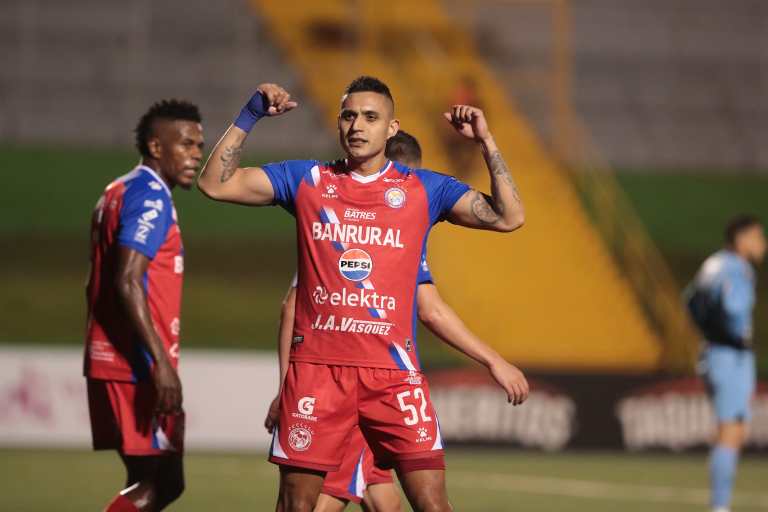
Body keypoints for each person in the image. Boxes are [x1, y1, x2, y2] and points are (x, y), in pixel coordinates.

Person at [198, 76, 525, 512]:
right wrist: (250, 115)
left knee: (432, 504)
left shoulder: (424, 189)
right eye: (349, 116)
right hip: (318, 373)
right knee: (298, 506)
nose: (357, 126)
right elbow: (215, 184)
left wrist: (486, 141)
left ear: (391, 128)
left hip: (394, 375)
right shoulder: (308, 180)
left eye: (371, 117)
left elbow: (509, 217)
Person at [263, 131, 528, 512]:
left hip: (372, 384)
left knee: (387, 502)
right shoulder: (342, 233)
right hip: (349, 382)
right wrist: (493, 360)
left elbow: (431, 305)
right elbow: (293, 308)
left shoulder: (384, 236)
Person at [84, 100, 204, 511]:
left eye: (199, 145)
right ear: (156, 146)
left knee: (158, 479)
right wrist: (161, 364)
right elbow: (126, 279)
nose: (196, 155)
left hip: (114, 355)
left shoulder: (117, 190)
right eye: (185, 144)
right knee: (156, 483)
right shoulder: (151, 198)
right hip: (137, 363)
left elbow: (94, 282)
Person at [686, 214, 766, 512]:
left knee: (734, 431)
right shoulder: (731, 268)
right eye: (758, 236)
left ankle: (720, 503)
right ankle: (720, 507)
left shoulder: (722, 265)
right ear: (742, 238)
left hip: (726, 353)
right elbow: (719, 307)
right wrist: (723, 335)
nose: (763, 243)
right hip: (728, 355)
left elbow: (691, 301)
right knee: (730, 431)